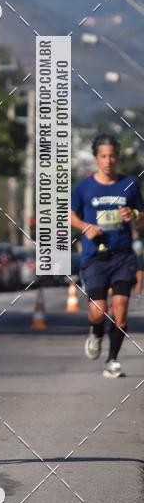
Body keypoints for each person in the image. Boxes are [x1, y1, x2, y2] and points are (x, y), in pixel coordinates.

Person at [70, 133, 144, 378]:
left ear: (118, 157)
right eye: (103, 156)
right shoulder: (84, 187)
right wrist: (86, 227)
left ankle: (112, 360)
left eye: (112, 156)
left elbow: (142, 217)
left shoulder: (130, 184)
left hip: (123, 255)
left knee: (120, 308)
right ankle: (96, 332)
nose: (108, 160)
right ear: (95, 158)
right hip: (95, 257)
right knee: (98, 311)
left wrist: (133, 216)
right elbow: (69, 215)